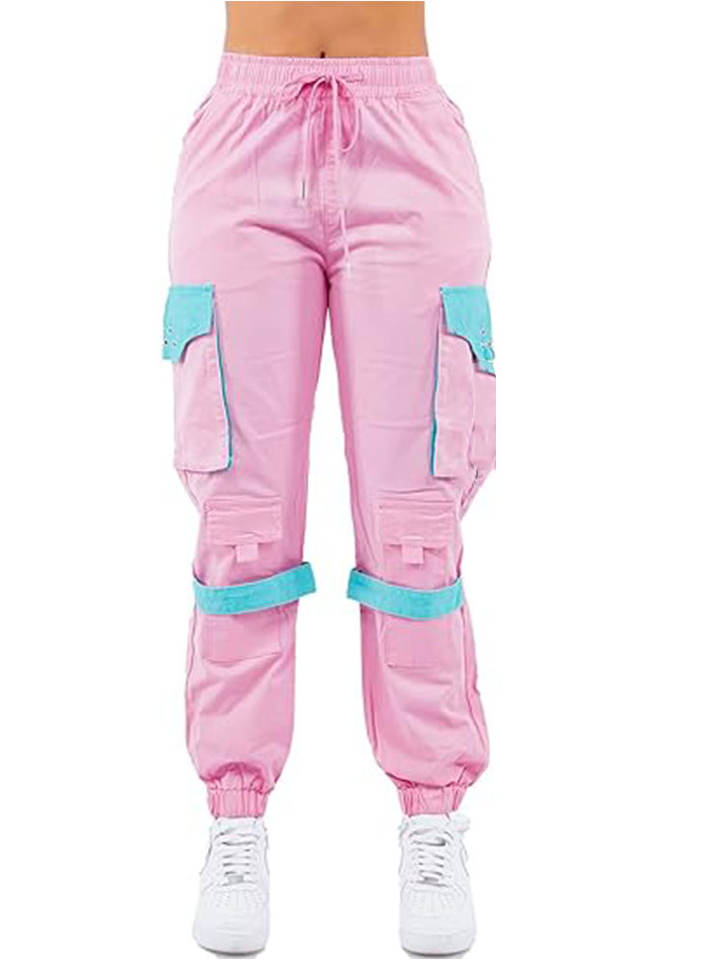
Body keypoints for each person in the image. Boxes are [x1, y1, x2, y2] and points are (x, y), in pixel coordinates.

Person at [163, 3, 495, 953]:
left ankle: (432, 816)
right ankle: (235, 818)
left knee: (416, 511)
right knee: (240, 511)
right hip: (245, 139)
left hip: (407, 141)